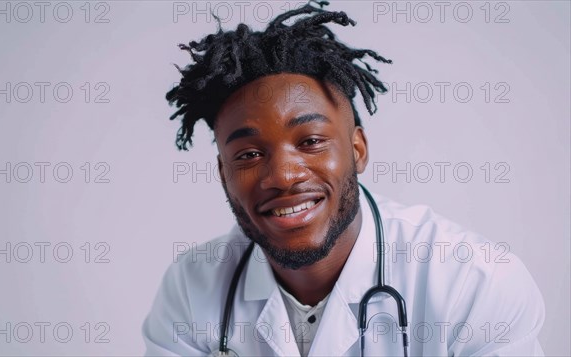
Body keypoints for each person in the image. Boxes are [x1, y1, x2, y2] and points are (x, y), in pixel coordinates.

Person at [143, 1, 545, 356]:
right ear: (223, 174)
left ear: (357, 150)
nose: (283, 176)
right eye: (248, 154)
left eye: (311, 141)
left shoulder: (472, 282)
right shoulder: (190, 290)